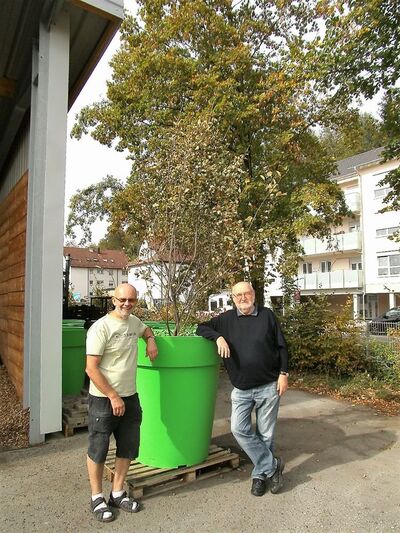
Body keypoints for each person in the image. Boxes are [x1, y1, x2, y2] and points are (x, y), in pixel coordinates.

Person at [196, 281, 289, 497]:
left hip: (269, 386)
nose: (242, 298)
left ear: (253, 295)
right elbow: (201, 327)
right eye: (237, 295)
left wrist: (283, 374)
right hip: (242, 389)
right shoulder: (225, 320)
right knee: (239, 429)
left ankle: (259, 476)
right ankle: (273, 466)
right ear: (232, 298)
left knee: (265, 435)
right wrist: (217, 336)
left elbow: (282, 346)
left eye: (246, 293)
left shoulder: (267, 316)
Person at [85, 283, 158, 523]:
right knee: (99, 448)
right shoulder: (100, 328)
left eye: (132, 300)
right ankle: (97, 497)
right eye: (122, 300)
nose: (127, 304)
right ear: (113, 300)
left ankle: (117, 493)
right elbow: (91, 369)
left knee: (127, 446)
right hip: (104, 399)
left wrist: (151, 340)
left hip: (130, 397)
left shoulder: (134, 322)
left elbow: (146, 329)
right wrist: (113, 396)